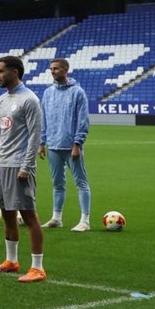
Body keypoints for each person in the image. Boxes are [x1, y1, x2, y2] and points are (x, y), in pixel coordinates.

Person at [0, 56, 46, 281]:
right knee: (7, 215)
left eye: (0, 71)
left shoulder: (30, 100)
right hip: (2, 164)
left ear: (15, 72)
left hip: (19, 166)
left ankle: (37, 268)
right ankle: (11, 261)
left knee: (29, 217)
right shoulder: (2, 100)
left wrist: (27, 165)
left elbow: (34, 135)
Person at [39, 57, 92, 231]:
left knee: (81, 182)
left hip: (71, 146)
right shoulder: (48, 93)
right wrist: (42, 142)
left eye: (56, 68)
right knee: (57, 184)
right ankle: (56, 218)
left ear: (65, 70)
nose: (52, 71)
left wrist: (78, 143)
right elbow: (44, 119)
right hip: (53, 145)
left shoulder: (77, 92)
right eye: (51, 69)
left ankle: (85, 220)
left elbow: (82, 120)